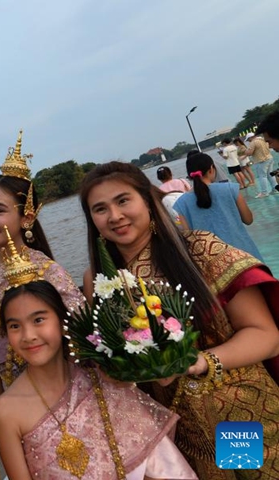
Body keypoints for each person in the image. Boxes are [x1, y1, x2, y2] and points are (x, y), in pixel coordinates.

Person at [79, 161, 279, 478]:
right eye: (100, 208)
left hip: (236, 412)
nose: (114, 216)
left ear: (147, 200)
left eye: (123, 200)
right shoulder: (99, 280)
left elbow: (266, 335)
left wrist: (201, 361)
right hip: (175, 433)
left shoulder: (200, 250)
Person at [0, 242, 197, 479]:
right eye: (15, 326)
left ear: (61, 321)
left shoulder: (98, 375)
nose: (28, 336)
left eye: (38, 320)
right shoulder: (6, 411)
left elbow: (154, 460)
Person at [0, 131, 83, 399]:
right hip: (15, 401)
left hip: (63, 393)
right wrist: (0, 407)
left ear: (26, 217)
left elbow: (84, 337)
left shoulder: (48, 270)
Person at [173, 153, 263, 261]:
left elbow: (188, 237)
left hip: (210, 262)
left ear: (189, 175)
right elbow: (248, 220)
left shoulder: (180, 203)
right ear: (211, 169)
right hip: (242, 254)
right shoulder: (230, 188)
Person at [244, 131, 279, 196]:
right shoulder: (263, 139)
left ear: (250, 138)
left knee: (262, 176)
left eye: (248, 139)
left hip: (260, 160)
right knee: (270, 175)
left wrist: (245, 151)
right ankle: (275, 189)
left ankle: (264, 192)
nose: (248, 141)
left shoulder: (253, 142)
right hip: (269, 158)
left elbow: (249, 153)